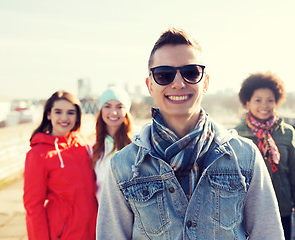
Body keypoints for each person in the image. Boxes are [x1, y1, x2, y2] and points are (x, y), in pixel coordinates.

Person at [96, 28, 285, 239]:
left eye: (191, 72)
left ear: (205, 82)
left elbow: (268, 234)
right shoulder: (123, 166)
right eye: (164, 75)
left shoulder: (245, 156)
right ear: (150, 85)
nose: (178, 83)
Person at [234, 72, 295, 240]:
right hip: (246, 216)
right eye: (258, 100)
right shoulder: (235, 136)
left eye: (270, 100)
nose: (265, 105)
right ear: (247, 102)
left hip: (282, 212)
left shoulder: (287, 133)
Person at [23, 91, 97, 240]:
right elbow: (33, 206)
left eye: (70, 113)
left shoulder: (83, 145)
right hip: (63, 233)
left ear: (77, 117)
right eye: (58, 112)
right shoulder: (38, 154)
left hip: (93, 230)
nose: (64, 118)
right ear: (48, 115)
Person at [92, 86, 133, 200]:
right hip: (104, 212)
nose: (113, 112)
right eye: (107, 106)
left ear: (126, 111)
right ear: (101, 110)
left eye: (119, 107)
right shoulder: (93, 146)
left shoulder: (137, 142)